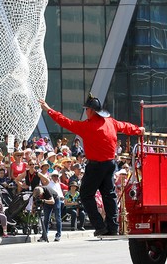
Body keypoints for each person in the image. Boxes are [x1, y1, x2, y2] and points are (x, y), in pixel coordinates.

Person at [39, 92, 145, 236]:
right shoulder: (111, 122)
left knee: (86, 195)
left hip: (96, 166)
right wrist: (139, 130)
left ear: (92, 111)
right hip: (109, 165)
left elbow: (64, 121)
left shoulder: (87, 126)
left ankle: (100, 226)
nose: (86, 112)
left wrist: (48, 110)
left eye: (87, 109)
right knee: (109, 196)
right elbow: (125, 126)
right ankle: (112, 228)